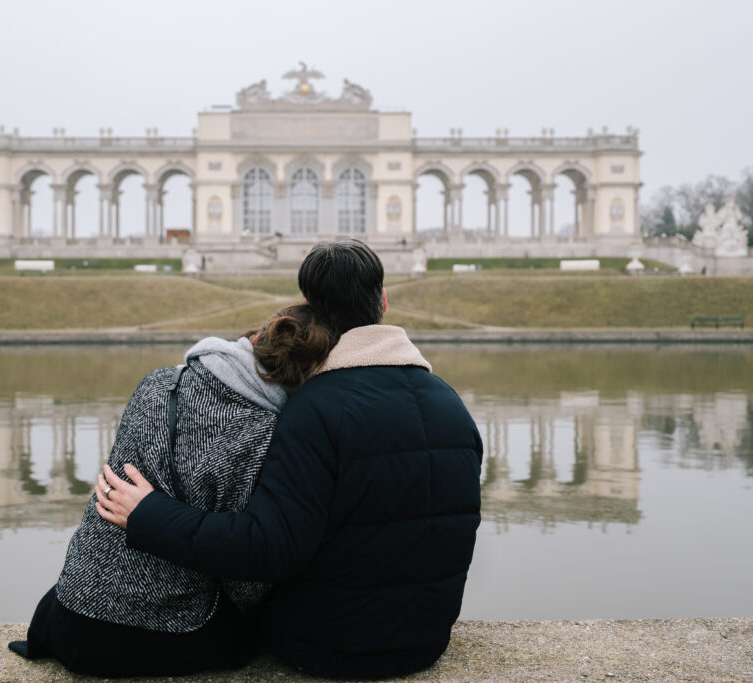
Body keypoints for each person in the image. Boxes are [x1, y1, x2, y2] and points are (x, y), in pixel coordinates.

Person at [96, 239, 483, 679]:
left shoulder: (314, 407)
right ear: (384, 302)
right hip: (426, 639)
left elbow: (267, 549)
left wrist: (149, 516)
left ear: (309, 308)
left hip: (326, 647)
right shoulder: (451, 402)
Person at [8, 304, 335, 677]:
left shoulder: (159, 382)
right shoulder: (265, 436)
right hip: (148, 633)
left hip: (70, 614)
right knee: (252, 638)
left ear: (256, 340)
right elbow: (244, 581)